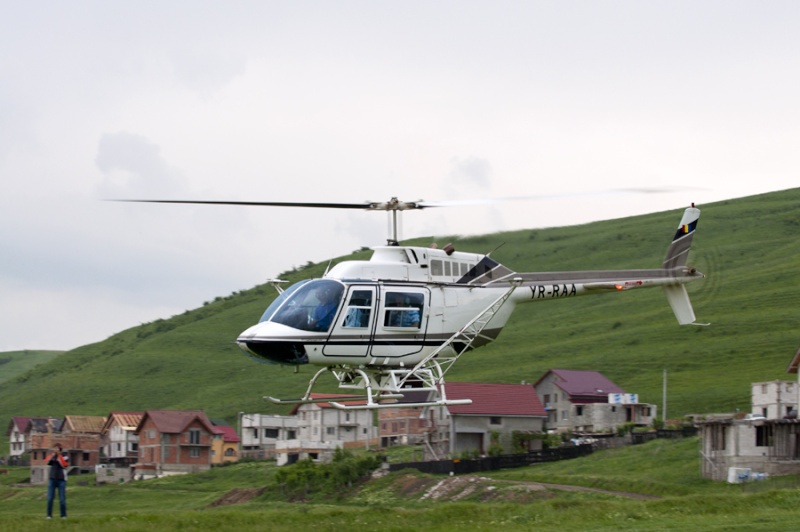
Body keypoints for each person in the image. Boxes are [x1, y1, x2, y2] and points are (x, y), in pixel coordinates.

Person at [45, 443, 68, 519]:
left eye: (57, 449)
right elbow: (47, 462)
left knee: (62, 499)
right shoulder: (52, 456)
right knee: (50, 498)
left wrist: (59, 457)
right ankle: (49, 515)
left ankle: (63, 515)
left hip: (61, 480)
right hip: (52, 479)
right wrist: (53, 456)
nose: (56, 450)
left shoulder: (64, 456)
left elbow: (64, 465)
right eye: (55, 449)